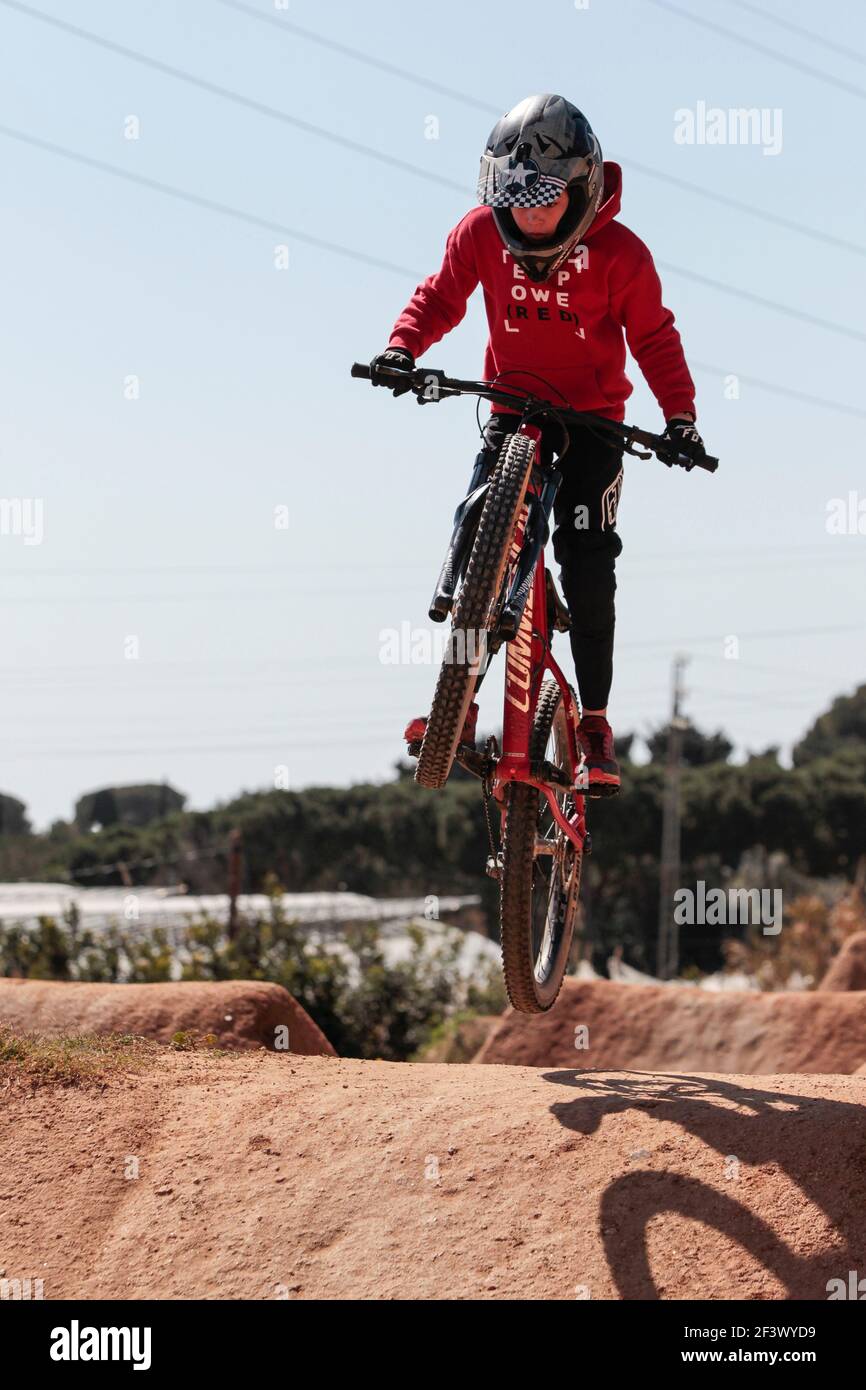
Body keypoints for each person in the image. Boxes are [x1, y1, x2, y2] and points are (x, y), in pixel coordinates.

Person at [371, 94, 709, 794]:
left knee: (587, 557)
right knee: (476, 530)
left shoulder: (621, 256)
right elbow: (440, 296)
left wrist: (680, 419)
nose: (525, 212)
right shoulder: (478, 235)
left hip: (592, 421)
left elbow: (653, 338)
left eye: (543, 197)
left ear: (582, 187)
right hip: (513, 407)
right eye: (511, 194)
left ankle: (594, 725)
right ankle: (456, 707)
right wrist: (402, 348)